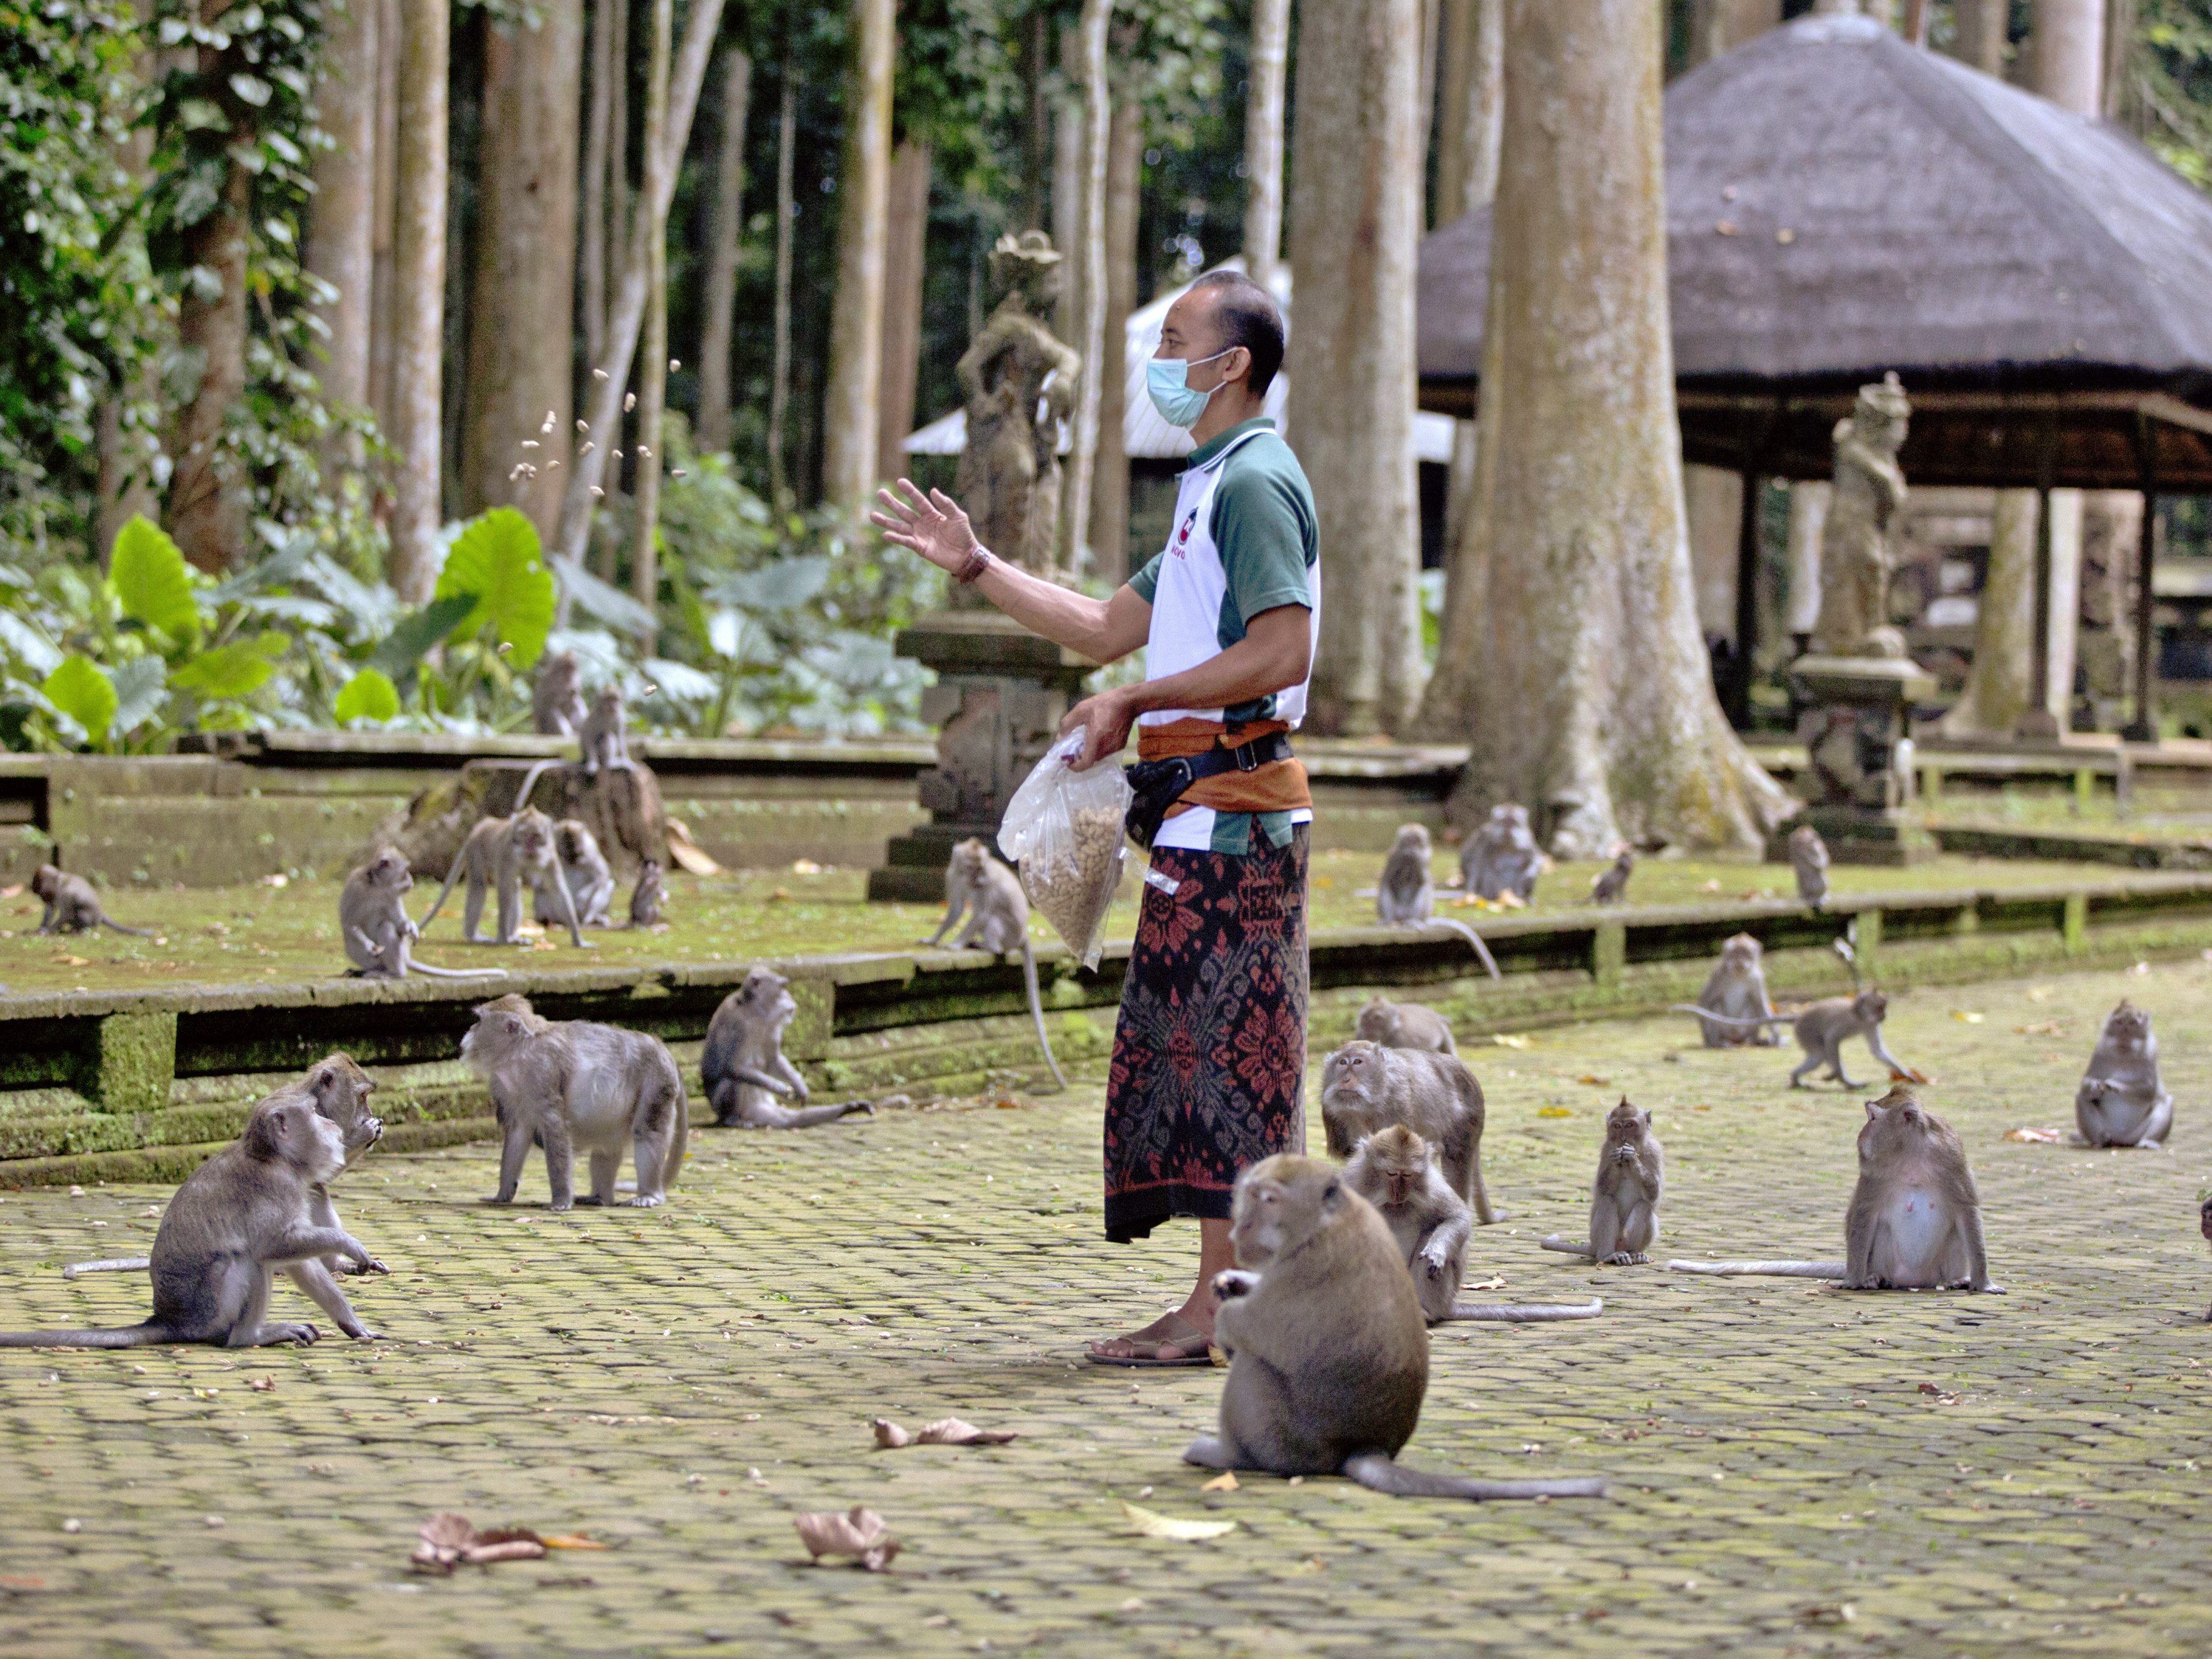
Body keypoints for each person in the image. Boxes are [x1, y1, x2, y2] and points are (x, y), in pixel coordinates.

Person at [873, 269, 1320, 1366]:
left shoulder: (1256, 481)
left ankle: (1226, 1310)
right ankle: (1228, 1298)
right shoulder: (1207, 486)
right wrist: (974, 565)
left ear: (1232, 368)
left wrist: (1134, 701)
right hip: (1189, 813)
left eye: (1175, 341)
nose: (1158, 362)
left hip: (1234, 816)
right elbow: (1099, 629)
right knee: (1189, 1056)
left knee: (1225, 1063)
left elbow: (1283, 650)